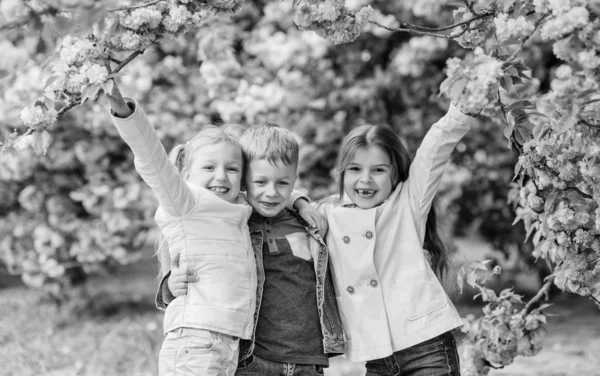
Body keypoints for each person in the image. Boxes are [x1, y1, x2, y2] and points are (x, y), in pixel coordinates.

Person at [294, 102, 480, 375]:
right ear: (341, 172)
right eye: (355, 169)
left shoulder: (407, 203)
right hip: (377, 356)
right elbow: (273, 195)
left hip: (426, 347)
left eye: (378, 170)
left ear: (395, 174)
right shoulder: (327, 214)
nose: (365, 180)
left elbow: (436, 148)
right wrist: (298, 201)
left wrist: (463, 108)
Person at [162, 122, 345, 375]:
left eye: (282, 184)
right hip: (253, 358)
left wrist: (300, 201)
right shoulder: (234, 221)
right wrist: (169, 284)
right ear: (245, 182)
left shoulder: (306, 221)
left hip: (309, 358)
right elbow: (200, 255)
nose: (271, 193)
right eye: (259, 182)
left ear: (293, 181)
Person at [105, 81, 256, 376]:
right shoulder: (187, 201)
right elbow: (153, 161)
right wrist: (125, 113)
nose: (221, 177)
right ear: (187, 173)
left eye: (232, 169)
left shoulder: (238, 211)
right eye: (209, 168)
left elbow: (271, 190)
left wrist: (299, 200)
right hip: (197, 340)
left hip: (226, 343)